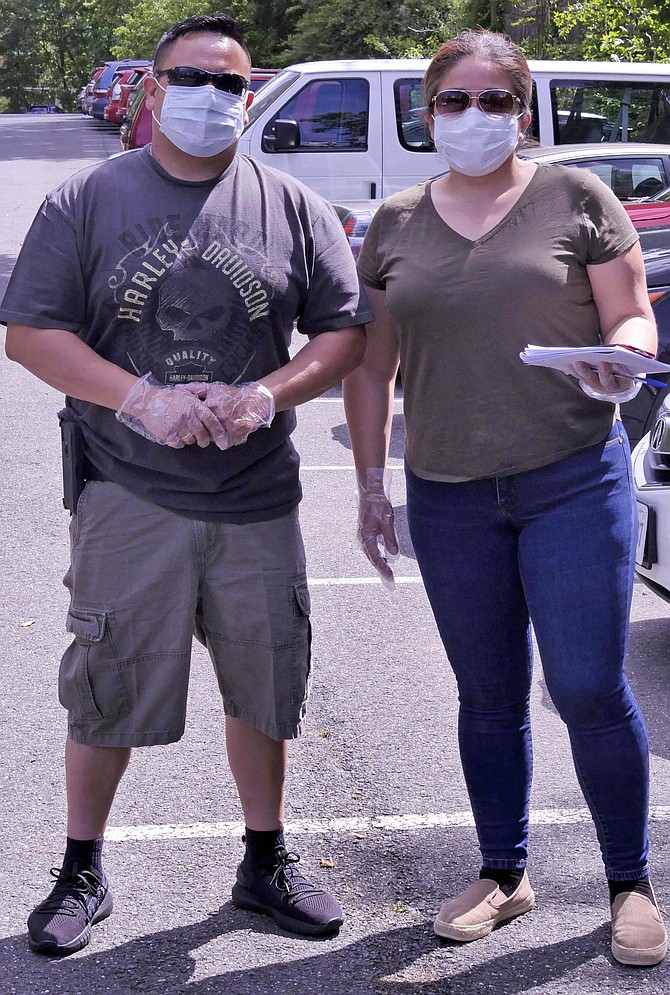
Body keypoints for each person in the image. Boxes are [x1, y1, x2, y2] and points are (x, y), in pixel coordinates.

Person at [2, 12, 371, 956]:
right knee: (107, 680)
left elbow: (342, 333)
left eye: (232, 83)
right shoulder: (87, 200)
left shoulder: (290, 205)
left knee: (264, 680)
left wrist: (264, 392)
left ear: (249, 98)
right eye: (194, 78)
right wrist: (139, 399)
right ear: (154, 88)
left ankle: (264, 860)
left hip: (255, 492)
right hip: (130, 488)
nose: (214, 96)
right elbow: (31, 331)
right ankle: (80, 866)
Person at [343, 29, 667, 969]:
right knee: (487, 694)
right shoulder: (396, 223)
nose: (473, 117)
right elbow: (371, 367)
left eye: (495, 101)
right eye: (455, 100)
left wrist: (626, 356)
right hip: (447, 493)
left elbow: (631, 309)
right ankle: (504, 870)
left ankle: (629, 882)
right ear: (426, 111)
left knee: (586, 686)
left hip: (571, 474)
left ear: (521, 112)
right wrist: (370, 483)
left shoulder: (576, 196)